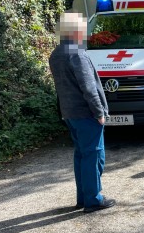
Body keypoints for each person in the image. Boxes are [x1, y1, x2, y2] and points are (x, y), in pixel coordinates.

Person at [49, 12, 116, 213]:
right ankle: (93, 199)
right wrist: (99, 112)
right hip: (85, 113)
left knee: (81, 155)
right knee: (94, 156)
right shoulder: (77, 54)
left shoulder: (57, 53)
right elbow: (89, 87)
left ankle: (83, 197)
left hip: (69, 113)